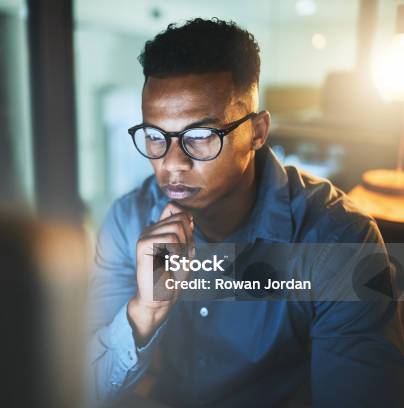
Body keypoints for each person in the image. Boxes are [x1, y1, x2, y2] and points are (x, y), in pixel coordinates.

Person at [86, 17, 403, 407]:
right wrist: (145, 310)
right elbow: (79, 386)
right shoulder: (128, 221)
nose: (171, 164)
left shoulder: (338, 240)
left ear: (257, 131)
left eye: (200, 137)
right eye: (155, 136)